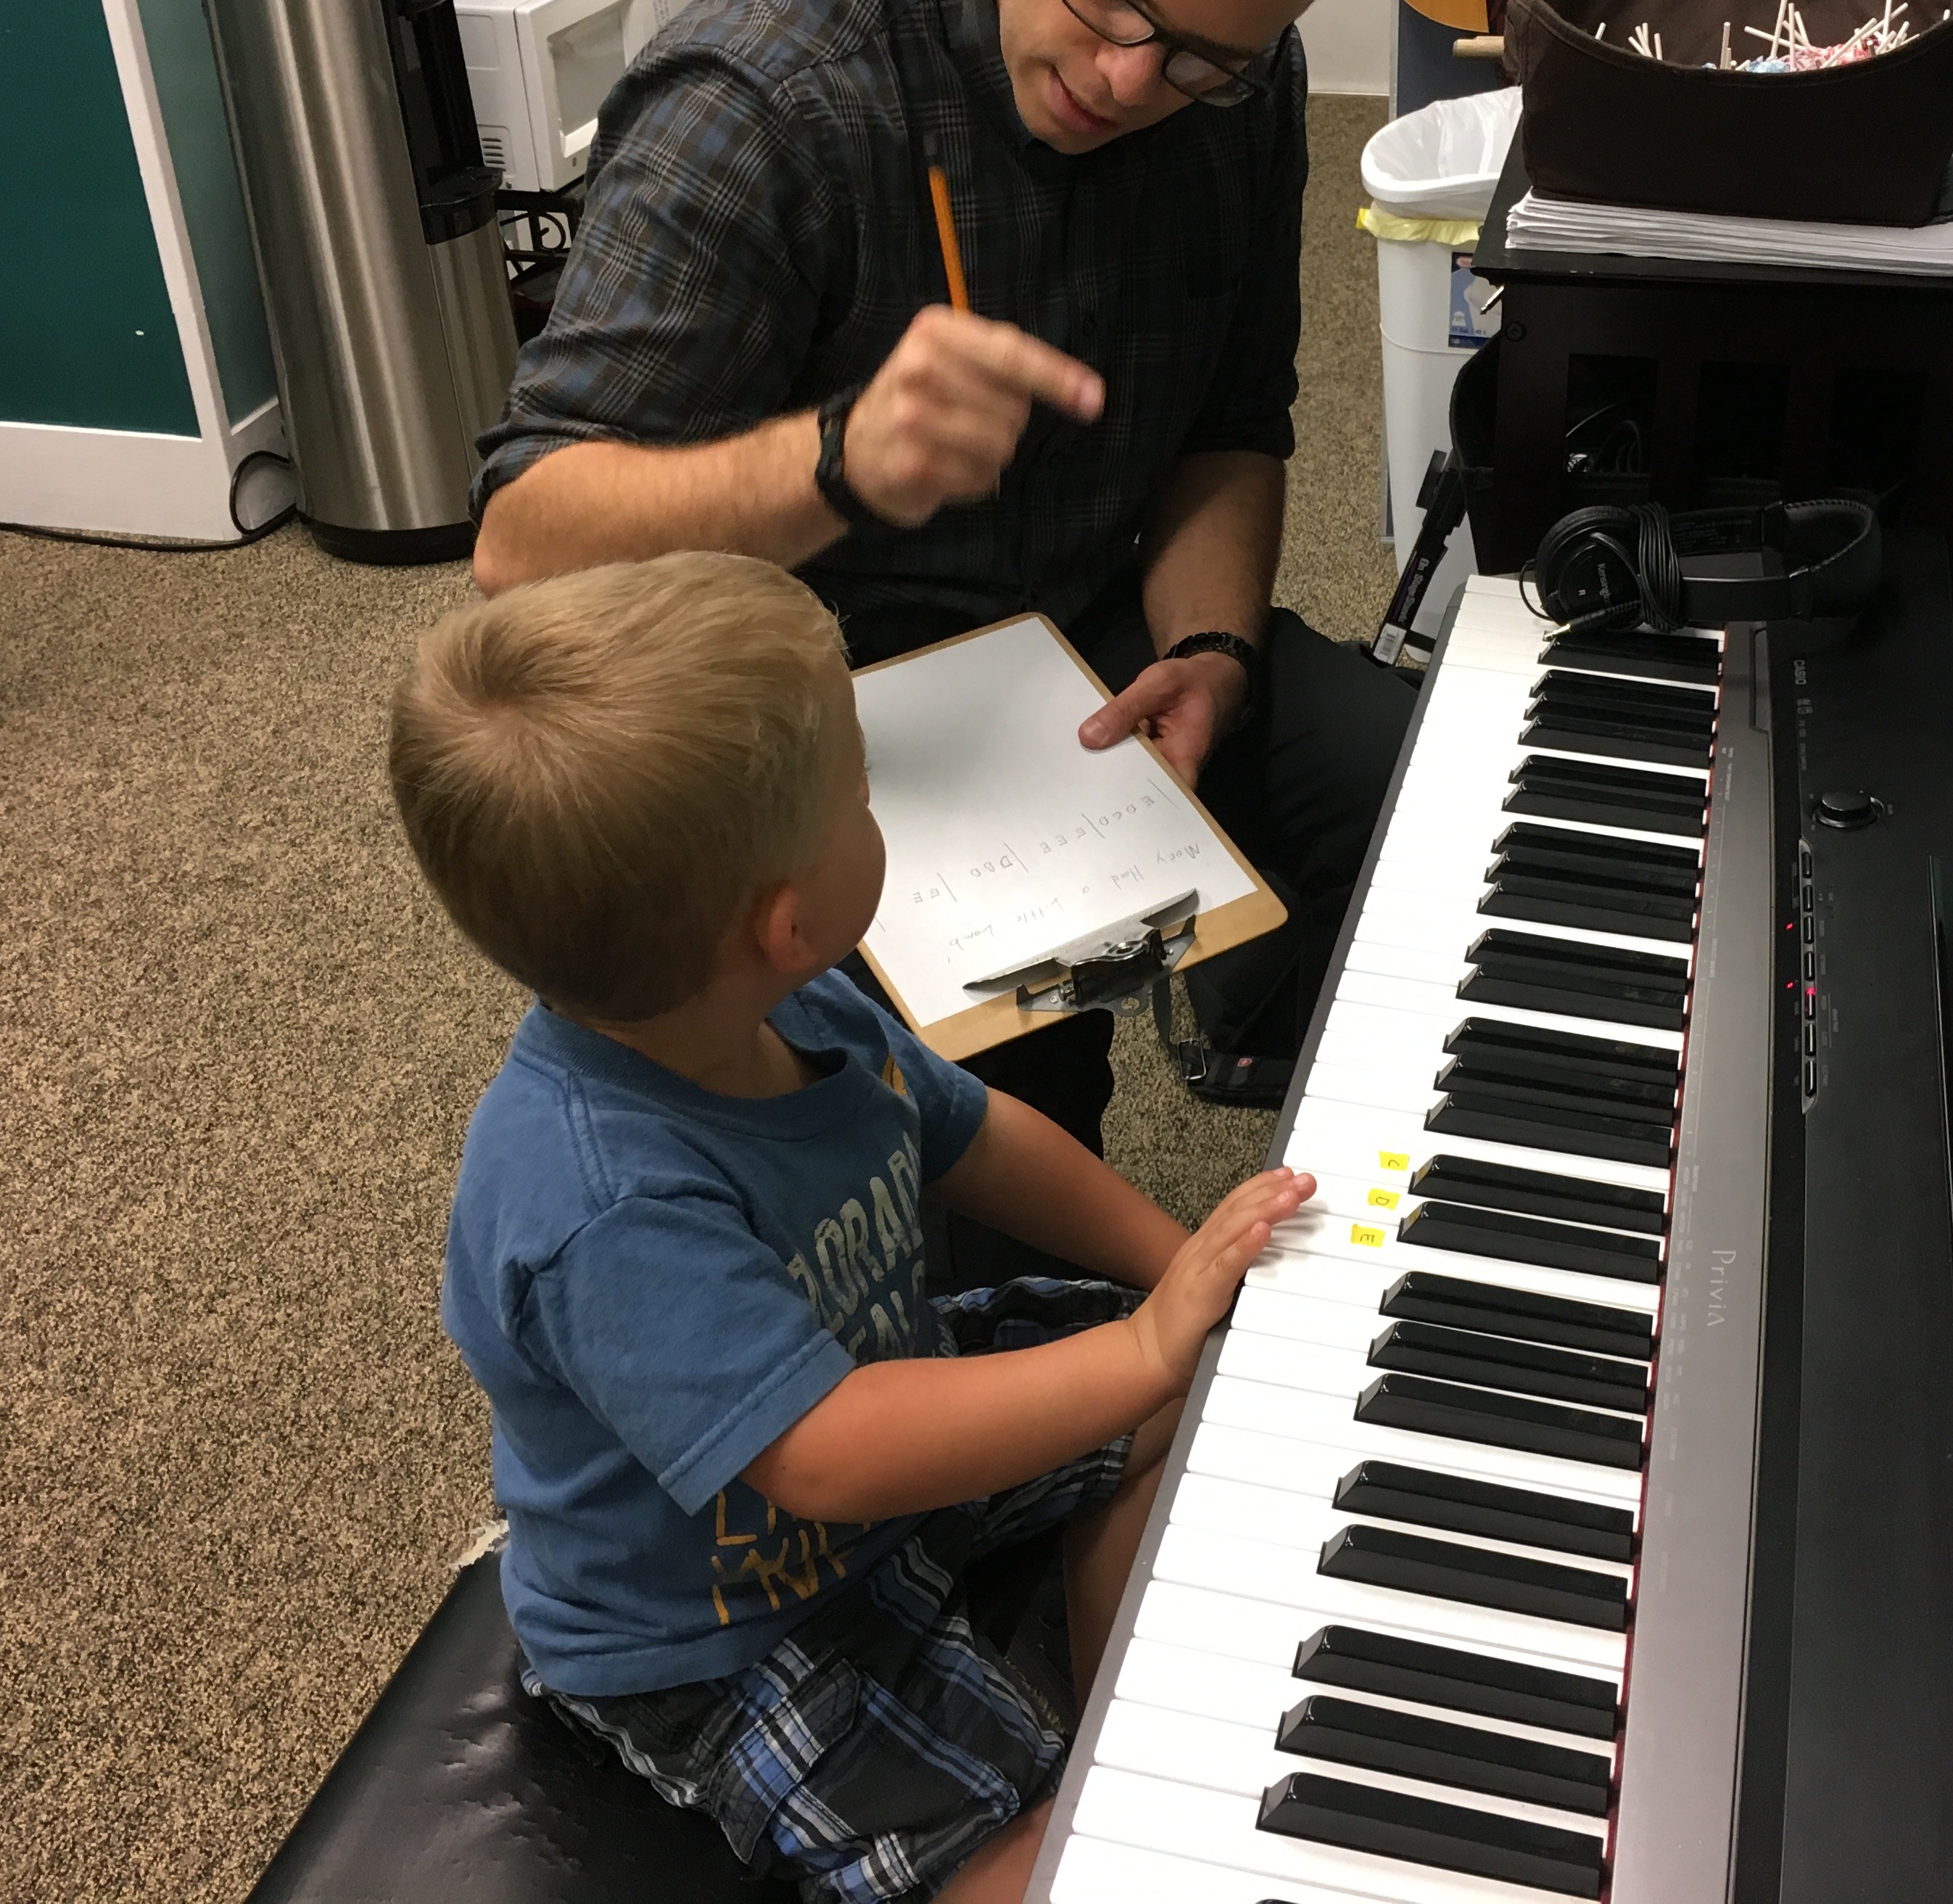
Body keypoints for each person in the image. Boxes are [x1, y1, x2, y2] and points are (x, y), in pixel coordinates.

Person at [466, 0, 1414, 1163]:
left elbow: (1234, 423)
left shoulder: (1243, 82)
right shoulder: (765, 98)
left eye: (1201, 59)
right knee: (1003, 1135)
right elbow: (522, 544)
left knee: (1422, 801)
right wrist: (830, 462)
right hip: (805, 720)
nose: (1130, 82)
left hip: (1081, 646)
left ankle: (1265, 1041)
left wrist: (1214, 652)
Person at [389, 551, 1315, 1900]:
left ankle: (1105, 1706)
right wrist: (1136, 1350)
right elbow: (828, 1454)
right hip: (726, 1629)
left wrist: (1173, 1277)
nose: (879, 804)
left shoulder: (792, 1001)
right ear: (787, 918)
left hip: (889, 1412)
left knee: (1204, 1383)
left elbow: (976, 1136)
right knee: (1042, 1873)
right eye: (862, 791)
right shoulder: (602, 1204)